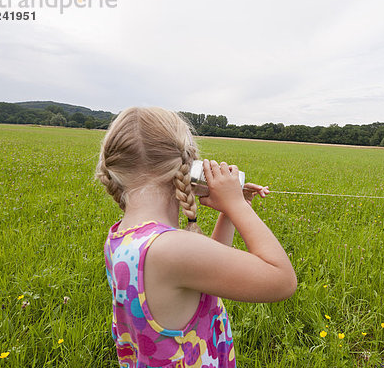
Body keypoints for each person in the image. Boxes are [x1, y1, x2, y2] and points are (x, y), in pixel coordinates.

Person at [95, 107, 297, 368]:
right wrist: (237, 207)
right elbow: (282, 280)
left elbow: (203, 272)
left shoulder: (122, 238)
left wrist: (231, 211)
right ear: (189, 168)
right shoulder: (171, 248)